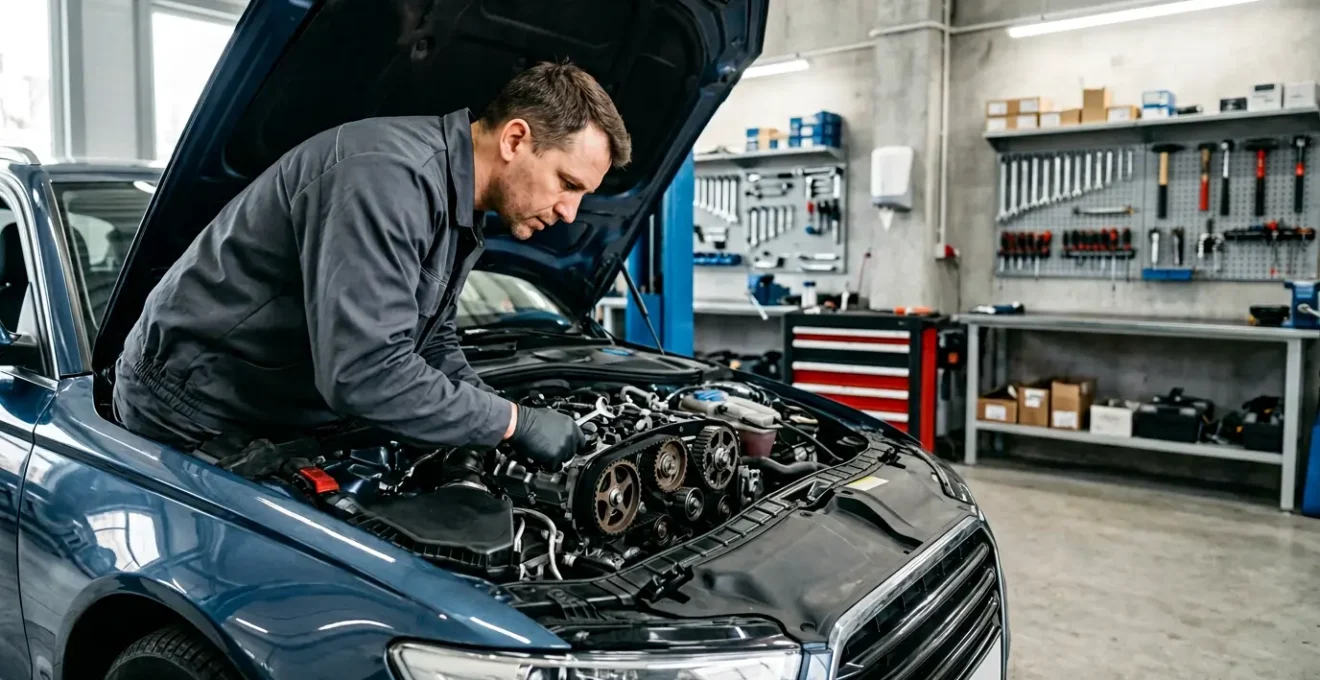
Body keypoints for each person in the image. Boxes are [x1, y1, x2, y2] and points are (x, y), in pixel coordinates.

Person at [113, 62, 631, 471]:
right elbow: (363, 374)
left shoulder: (457, 202)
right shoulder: (383, 180)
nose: (571, 214)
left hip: (277, 403)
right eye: (567, 183)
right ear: (515, 140)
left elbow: (430, 340)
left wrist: (498, 413)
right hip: (190, 408)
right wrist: (511, 423)